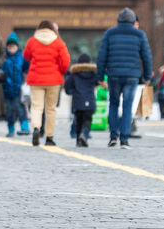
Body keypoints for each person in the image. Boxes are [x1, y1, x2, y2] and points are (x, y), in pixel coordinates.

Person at [96, 8, 152, 149]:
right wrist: (147, 76)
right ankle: (125, 139)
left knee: (113, 104)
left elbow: (102, 56)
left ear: (118, 21)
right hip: (131, 76)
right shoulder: (140, 35)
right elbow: (146, 57)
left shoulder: (110, 33)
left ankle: (113, 135)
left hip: (113, 75)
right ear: (134, 21)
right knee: (127, 106)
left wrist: (100, 76)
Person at [23, 20, 70, 146]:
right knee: (50, 109)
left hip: (36, 79)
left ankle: (36, 128)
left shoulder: (32, 41)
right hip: (54, 80)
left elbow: (26, 55)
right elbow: (66, 62)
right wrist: (59, 71)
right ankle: (49, 137)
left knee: (36, 106)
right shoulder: (59, 42)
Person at [64, 53, 98, 147]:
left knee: (79, 120)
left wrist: (69, 91)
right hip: (90, 99)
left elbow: (67, 85)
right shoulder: (93, 73)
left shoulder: (74, 73)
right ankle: (85, 134)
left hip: (78, 99)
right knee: (88, 119)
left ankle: (78, 138)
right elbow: (97, 82)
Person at [2, 32, 30, 137]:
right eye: (10, 47)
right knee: (9, 110)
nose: (11, 49)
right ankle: (11, 129)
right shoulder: (4, 58)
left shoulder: (22, 57)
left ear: (17, 47)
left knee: (21, 107)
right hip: (7, 88)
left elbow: (26, 69)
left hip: (19, 87)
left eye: (13, 47)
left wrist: (26, 81)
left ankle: (25, 127)